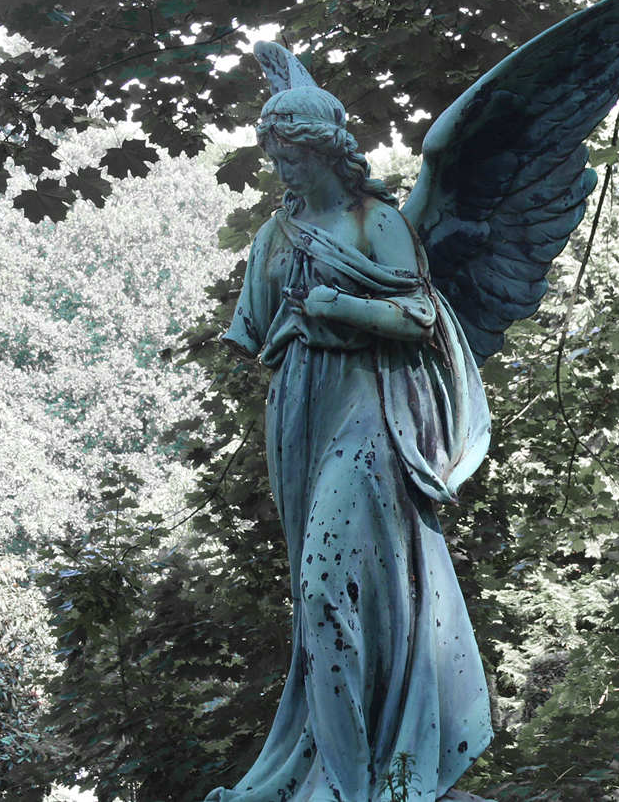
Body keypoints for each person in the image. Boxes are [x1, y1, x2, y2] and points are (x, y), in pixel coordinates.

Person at [210, 83, 493, 802]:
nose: (281, 171)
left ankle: (347, 781)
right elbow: (257, 334)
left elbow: (423, 313)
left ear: (325, 150)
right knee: (318, 601)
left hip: (368, 416)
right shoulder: (277, 233)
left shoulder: (378, 222)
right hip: (299, 415)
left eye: (292, 156)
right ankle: (335, 764)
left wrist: (338, 305)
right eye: (274, 158)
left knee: (325, 582)